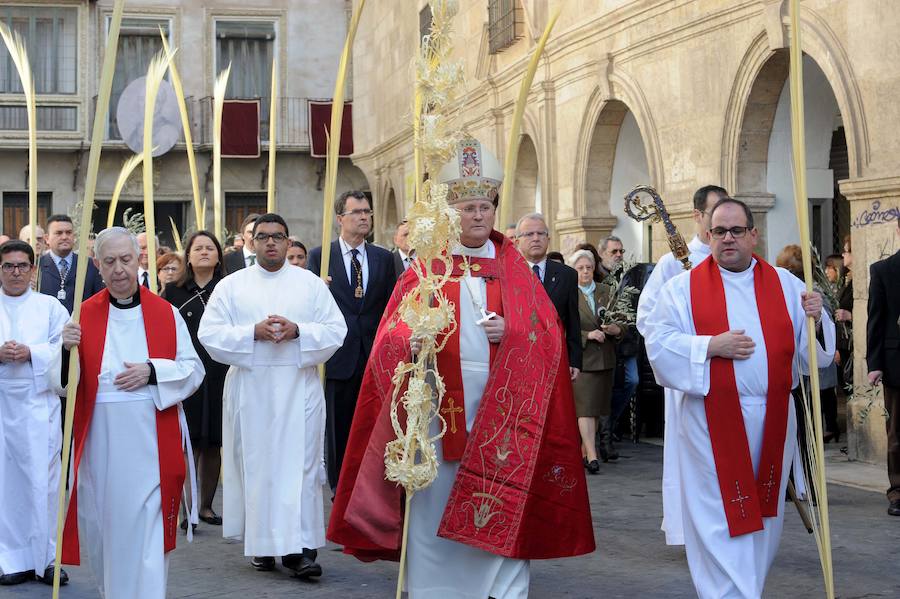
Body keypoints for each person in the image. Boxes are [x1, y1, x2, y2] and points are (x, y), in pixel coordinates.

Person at [328, 138, 594, 598]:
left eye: (484, 207)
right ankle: (437, 588)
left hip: (504, 412)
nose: (478, 215)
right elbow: (389, 336)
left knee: (504, 498)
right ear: (452, 213)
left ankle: (502, 589)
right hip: (437, 411)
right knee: (436, 502)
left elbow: (547, 337)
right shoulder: (427, 269)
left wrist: (510, 332)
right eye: (468, 207)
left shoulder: (513, 267)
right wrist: (410, 341)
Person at [643, 198, 834, 598]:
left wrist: (818, 317)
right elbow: (658, 344)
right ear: (708, 235)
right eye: (718, 232)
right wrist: (711, 346)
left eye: (735, 231)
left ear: (753, 234)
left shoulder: (786, 283)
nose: (727, 239)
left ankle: (746, 588)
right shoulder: (683, 288)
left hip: (774, 417)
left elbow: (812, 355)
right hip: (709, 420)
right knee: (717, 515)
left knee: (765, 514)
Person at [60, 227, 205, 599]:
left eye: (126, 259)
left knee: (150, 536)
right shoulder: (83, 315)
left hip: (152, 443)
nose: (119, 269)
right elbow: (61, 383)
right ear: (97, 265)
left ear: (139, 260)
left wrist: (153, 371)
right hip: (103, 449)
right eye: (109, 262)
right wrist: (65, 351)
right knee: (109, 533)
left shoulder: (166, 313)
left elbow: (193, 369)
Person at [198, 213, 347, 577]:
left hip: (299, 386)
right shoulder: (232, 286)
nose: (270, 243)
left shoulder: (310, 284)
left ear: (287, 240)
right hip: (252, 389)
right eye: (263, 236)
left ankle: (301, 550)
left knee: (302, 468)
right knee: (259, 468)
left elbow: (335, 330)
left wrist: (299, 331)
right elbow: (209, 334)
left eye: (277, 237)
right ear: (252, 242)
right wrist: (252, 333)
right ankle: (263, 546)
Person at [636, 183, 729, 546]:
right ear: (698, 216)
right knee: (693, 457)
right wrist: (692, 342)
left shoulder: (736, 259)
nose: (723, 225)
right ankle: (691, 529)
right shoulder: (674, 263)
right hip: (693, 373)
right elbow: (648, 319)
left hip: (733, 373)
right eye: (715, 215)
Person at [307, 191, 397, 490]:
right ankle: (339, 486)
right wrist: (317, 289)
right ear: (340, 219)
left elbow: (390, 306)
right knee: (339, 425)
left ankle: (369, 484)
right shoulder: (321, 257)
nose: (363, 217)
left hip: (374, 353)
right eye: (356, 212)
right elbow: (310, 307)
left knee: (373, 424)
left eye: (367, 212)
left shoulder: (384, 258)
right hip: (339, 356)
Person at [0, 240, 70, 586]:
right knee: (5, 484)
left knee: (45, 485)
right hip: (1, 406)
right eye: (8, 266)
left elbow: (67, 349)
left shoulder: (50, 308)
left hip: (38, 405)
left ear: (32, 270)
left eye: (21, 266)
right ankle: (9, 559)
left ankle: (48, 558)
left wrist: (33, 353)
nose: (15, 272)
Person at [162, 232, 228, 529]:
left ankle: (206, 506)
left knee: (213, 441)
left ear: (218, 255)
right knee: (187, 442)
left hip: (220, 371)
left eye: (209, 248)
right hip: (186, 373)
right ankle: (186, 508)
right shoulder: (173, 291)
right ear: (187, 256)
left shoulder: (228, 289)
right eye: (197, 248)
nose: (203, 252)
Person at [776, 244, 840, 442]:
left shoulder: (811, 294)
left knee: (807, 418)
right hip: (789, 371)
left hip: (805, 372)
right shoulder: (781, 293)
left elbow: (823, 324)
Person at [567, 249, 623, 474]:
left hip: (605, 358)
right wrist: (586, 335)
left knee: (597, 408)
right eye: (580, 268)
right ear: (574, 271)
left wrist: (617, 329)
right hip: (582, 361)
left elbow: (623, 320)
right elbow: (561, 326)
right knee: (585, 409)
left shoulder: (606, 291)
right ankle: (592, 455)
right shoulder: (569, 293)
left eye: (588, 268)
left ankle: (585, 448)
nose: (585, 272)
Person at [515, 212, 582, 380]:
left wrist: (575, 360)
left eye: (541, 233)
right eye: (529, 234)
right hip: (518, 358)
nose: (536, 238)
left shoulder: (567, 275)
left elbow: (573, 321)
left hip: (555, 358)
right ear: (517, 241)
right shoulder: (508, 274)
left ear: (548, 239)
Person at [866, 220, 900, 516]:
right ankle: (897, 491)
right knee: (898, 433)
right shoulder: (884, 270)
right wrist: (874, 364)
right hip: (897, 363)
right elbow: (875, 319)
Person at [39, 214, 105, 314]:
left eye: (68, 232)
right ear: (47, 238)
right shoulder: (38, 266)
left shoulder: (89, 265)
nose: (64, 237)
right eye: (59, 233)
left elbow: (99, 299)